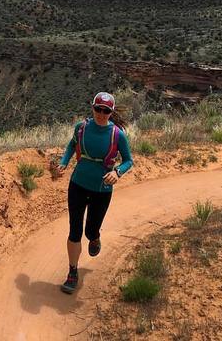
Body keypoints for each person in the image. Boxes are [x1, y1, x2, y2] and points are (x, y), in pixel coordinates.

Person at [56, 91, 133, 294]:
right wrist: (64, 162)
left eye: (105, 110)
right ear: (92, 108)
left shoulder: (117, 135)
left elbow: (128, 161)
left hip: (102, 189)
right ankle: (72, 272)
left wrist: (118, 172)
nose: (101, 113)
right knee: (75, 230)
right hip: (78, 184)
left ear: (111, 112)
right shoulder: (81, 128)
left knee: (90, 230)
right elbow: (72, 145)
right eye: (98, 109)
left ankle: (95, 237)